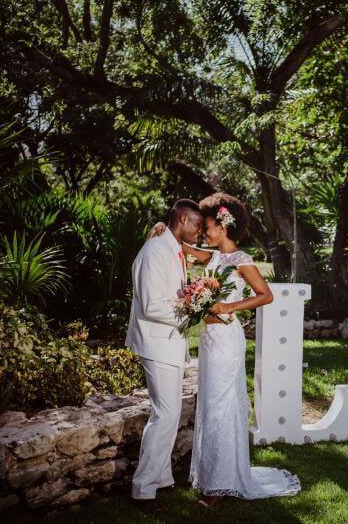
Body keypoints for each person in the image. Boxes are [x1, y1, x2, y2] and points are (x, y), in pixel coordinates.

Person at [149, 192, 301, 507]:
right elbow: (186, 247)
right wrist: (164, 228)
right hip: (209, 339)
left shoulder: (241, 260)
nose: (203, 230)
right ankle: (212, 475)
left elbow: (266, 295)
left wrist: (229, 305)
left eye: (207, 225)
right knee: (210, 406)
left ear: (224, 225)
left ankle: (218, 487)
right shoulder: (215, 256)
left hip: (227, 340)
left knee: (221, 407)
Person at [126, 199, 203, 503]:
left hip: (170, 343)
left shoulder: (171, 249)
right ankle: (143, 490)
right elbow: (150, 305)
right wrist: (193, 309)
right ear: (183, 219)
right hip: (156, 342)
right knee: (165, 414)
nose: (199, 231)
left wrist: (192, 297)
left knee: (169, 415)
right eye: (197, 224)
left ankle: (161, 478)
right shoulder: (154, 251)